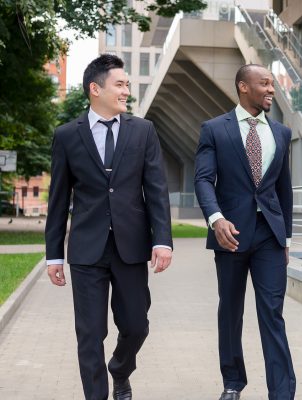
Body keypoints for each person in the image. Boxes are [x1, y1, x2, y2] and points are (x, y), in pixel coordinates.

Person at [45, 54, 173, 400]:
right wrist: (53, 256)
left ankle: (120, 368)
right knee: (89, 334)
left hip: (132, 247)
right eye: (120, 84)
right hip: (87, 250)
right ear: (95, 89)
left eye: (127, 85)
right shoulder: (67, 136)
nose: (126, 91)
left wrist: (163, 240)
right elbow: (57, 200)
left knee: (136, 326)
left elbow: (157, 190)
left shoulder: (143, 130)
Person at [194, 64, 295, 400]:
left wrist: (286, 238)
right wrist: (215, 218)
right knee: (231, 310)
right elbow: (203, 179)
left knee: (272, 313)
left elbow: (284, 189)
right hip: (231, 234)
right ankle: (233, 382)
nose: (271, 89)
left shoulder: (281, 133)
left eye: (272, 84)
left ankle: (282, 392)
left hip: (269, 236)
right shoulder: (214, 129)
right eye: (264, 83)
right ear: (243, 87)